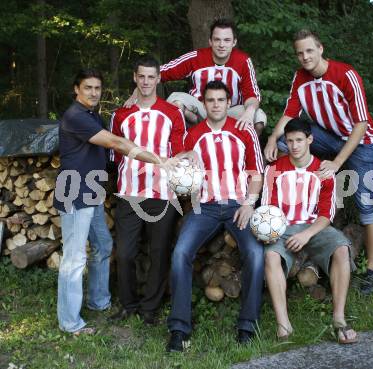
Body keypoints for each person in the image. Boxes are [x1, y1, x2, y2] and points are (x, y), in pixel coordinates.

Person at [54, 68, 177, 335]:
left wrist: (135, 96)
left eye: (97, 88)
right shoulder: (76, 116)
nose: (94, 93)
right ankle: (70, 322)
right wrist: (158, 159)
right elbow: (116, 143)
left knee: (103, 245)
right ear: (76, 90)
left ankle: (99, 301)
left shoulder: (91, 114)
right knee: (74, 259)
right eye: (88, 88)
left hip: (92, 191)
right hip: (75, 191)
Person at [264, 29, 373, 294]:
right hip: (327, 136)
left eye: (309, 50)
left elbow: (361, 123)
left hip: (359, 139)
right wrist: (272, 139)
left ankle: (372, 269)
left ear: (320, 49)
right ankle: (296, 200)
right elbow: (290, 114)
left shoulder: (345, 75)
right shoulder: (300, 78)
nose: (305, 57)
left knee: (368, 202)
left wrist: (337, 163)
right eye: (299, 52)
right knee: (286, 141)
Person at [166, 80, 264, 352]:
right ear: (204, 103)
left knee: (256, 254)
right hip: (204, 208)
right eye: (211, 100)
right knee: (180, 253)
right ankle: (179, 329)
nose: (216, 105)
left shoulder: (244, 131)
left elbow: (257, 173)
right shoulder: (193, 134)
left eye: (221, 100)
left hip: (237, 206)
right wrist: (187, 156)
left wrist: (249, 203)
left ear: (228, 102)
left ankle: (247, 324)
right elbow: (179, 166)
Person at [108, 57, 191, 325]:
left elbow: (178, 153)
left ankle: (150, 309)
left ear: (158, 79)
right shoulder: (120, 115)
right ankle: (128, 304)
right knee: (125, 253)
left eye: (150, 77)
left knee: (159, 251)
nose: (145, 82)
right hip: (130, 192)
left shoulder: (172, 112)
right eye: (141, 77)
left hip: (162, 194)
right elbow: (116, 155)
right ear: (135, 78)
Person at [263, 118, 357, 344]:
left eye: (299, 140)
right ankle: (283, 325)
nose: (294, 146)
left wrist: (306, 234)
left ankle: (339, 319)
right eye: (290, 141)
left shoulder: (323, 170)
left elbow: (327, 214)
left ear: (310, 140)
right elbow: (268, 210)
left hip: (314, 227)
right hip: (282, 227)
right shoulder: (274, 170)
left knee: (342, 248)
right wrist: (275, 231)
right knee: (270, 256)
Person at [126, 18, 266, 135]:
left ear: (234, 42)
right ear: (210, 41)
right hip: (200, 108)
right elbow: (157, 73)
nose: (221, 45)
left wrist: (249, 112)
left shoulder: (243, 61)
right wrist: (136, 92)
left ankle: (247, 155)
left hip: (229, 111)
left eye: (227, 40)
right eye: (217, 40)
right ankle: (181, 146)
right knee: (175, 102)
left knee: (258, 118)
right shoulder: (196, 57)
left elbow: (252, 94)